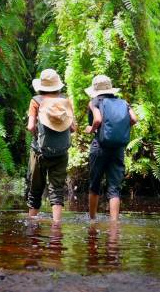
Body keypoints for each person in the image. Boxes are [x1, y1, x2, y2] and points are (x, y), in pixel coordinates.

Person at [26, 69, 77, 223]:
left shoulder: (36, 101)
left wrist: (38, 135)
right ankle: (57, 226)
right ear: (58, 85)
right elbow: (73, 128)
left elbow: (30, 126)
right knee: (57, 190)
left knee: (35, 190)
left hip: (39, 152)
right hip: (61, 153)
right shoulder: (66, 101)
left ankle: (32, 224)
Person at [84, 75, 138, 221]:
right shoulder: (123, 102)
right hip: (118, 149)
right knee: (114, 187)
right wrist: (120, 130)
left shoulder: (94, 102)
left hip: (100, 147)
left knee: (94, 184)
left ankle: (92, 220)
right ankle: (114, 223)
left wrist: (92, 129)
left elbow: (98, 119)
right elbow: (134, 119)